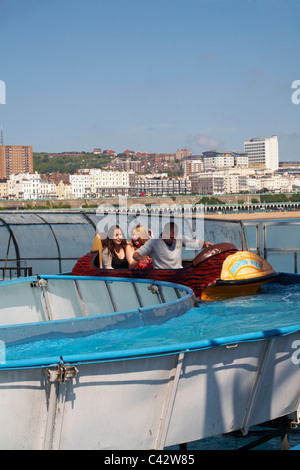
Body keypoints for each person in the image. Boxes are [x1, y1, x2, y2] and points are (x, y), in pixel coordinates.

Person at [132, 221, 213, 269]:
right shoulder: (153, 242)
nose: (173, 240)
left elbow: (193, 243)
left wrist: (205, 244)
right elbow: (135, 255)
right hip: (162, 275)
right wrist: (140, 257)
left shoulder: (179, 238)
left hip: (178, 273)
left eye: (174, 237)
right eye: (171, 237)